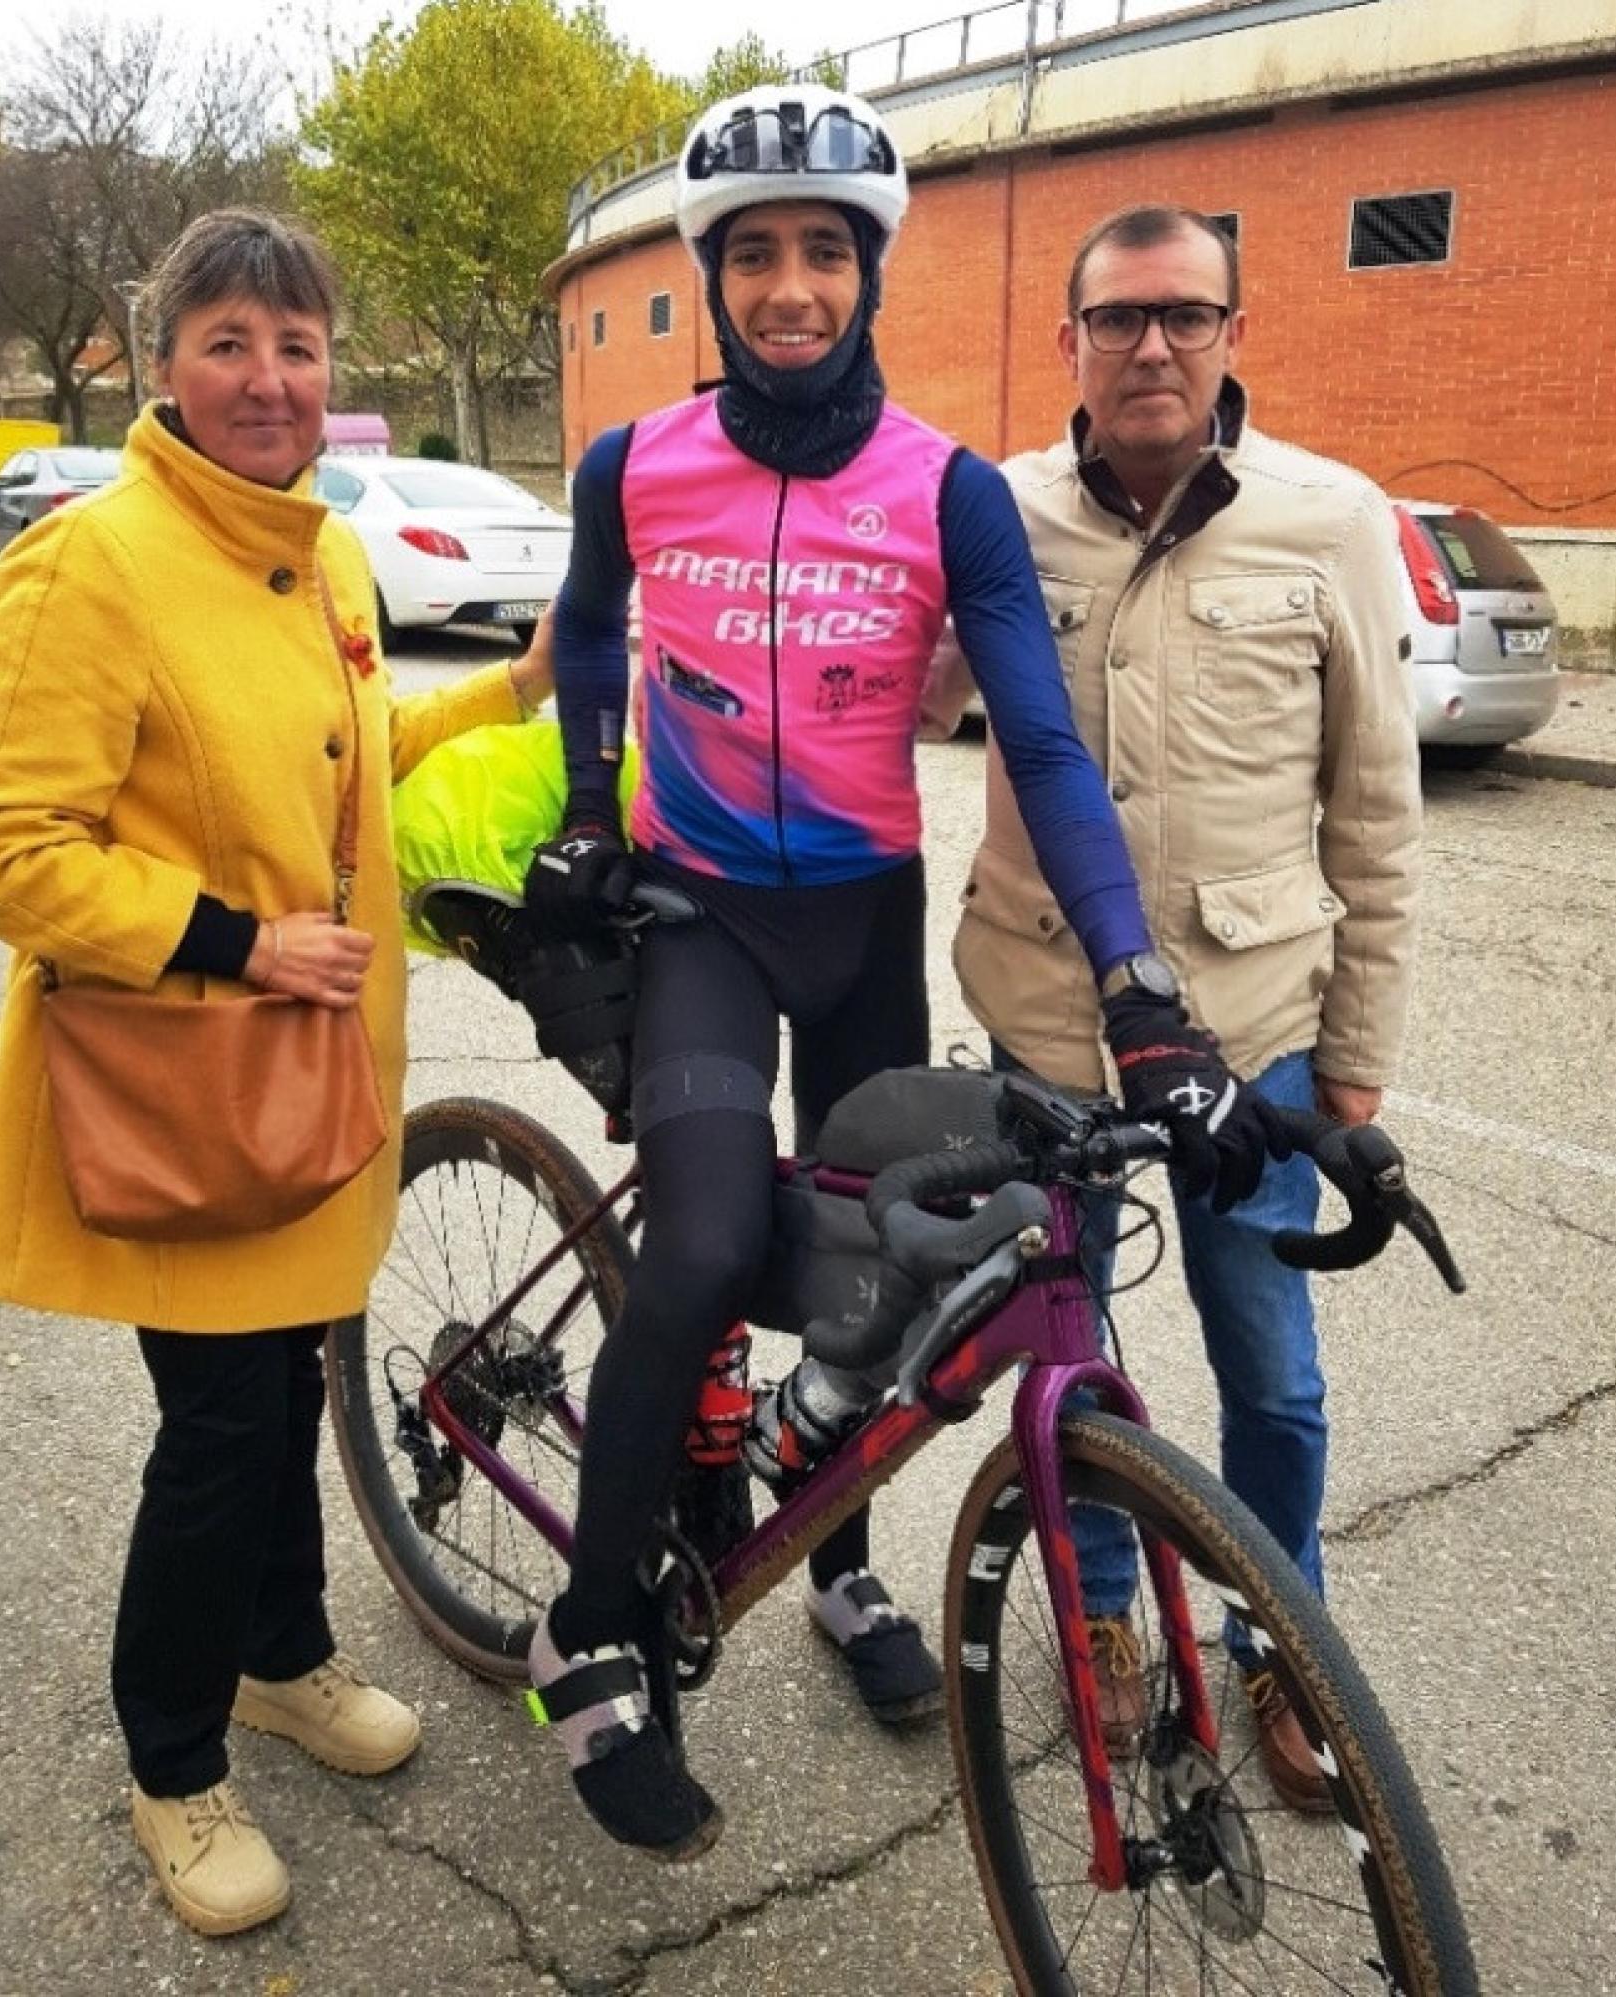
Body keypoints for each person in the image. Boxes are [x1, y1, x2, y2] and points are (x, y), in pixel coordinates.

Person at [520, 92, 1288, 1861]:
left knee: (868, 1282)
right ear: (711, 278)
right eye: (754, 256)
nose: (790, 288)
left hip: (859, 913)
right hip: (701, 912)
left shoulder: (944, 490)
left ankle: (838, 1583)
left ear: (870, 272)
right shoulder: (632, 466)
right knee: (711, 1240)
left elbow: (1042, 741)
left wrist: (1140, 990)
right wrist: (580, 811)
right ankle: (585, 1633)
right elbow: (585, 638)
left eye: (823, 253)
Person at [0, 209, 553, 1936]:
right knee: (218, 1434)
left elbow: (340, 768)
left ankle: (281, 1656)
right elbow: (2, 848)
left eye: (297, 347)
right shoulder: (95, 563)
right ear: (163, 362)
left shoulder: (321, 553)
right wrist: (236, 938)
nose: (268, 378)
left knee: (285, 1391)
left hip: (319, 1098)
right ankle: (172, 1761)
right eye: (228, 342)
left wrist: (509, 688)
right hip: (193, 1097)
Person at [923, 202, 1421, 1809]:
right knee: (1067, 1355)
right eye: (1117, 318)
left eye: (1184, 317)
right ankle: (1108, 1618)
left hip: (1251, 1024)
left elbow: (1375, 811)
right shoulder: (990, 511)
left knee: (1268, 1368)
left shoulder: (1330, 519)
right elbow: (907, 694)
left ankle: (1282, 1646)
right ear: (1066, 339)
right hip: (1043, 1013)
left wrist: (1353, 1064)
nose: (1151, 345)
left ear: (1230, 335)